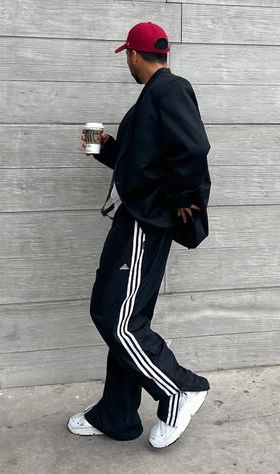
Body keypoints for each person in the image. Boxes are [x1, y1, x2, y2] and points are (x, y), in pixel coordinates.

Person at [68, 22, 212, 449]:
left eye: (126, 56)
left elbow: (194, 149)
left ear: (132, 55)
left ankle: (179, 388)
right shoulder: (153, 97)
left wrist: (183, 202)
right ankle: (117, 415)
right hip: (136, 220)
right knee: (127, 321)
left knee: (115, 316)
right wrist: (108, 148)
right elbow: (146, 163)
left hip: (143, 225)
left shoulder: (170, 89)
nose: (127, 63)